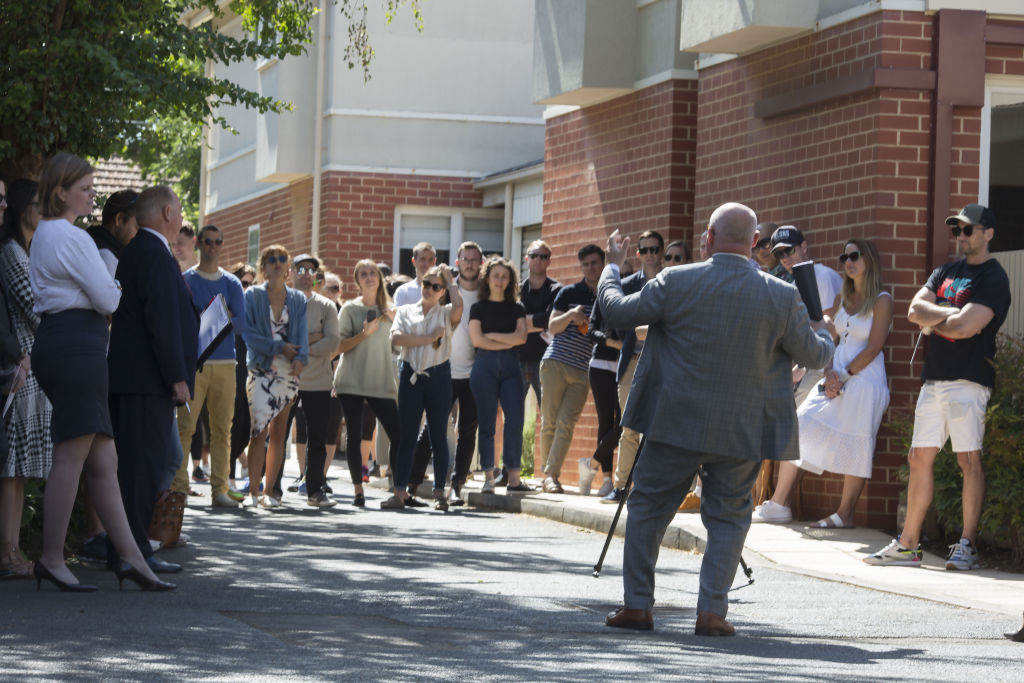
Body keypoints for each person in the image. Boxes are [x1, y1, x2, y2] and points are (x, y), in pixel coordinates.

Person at [599, 202, 833, 636]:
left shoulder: (676, 280)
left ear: (708, 237)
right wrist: (825, 332)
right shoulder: (780, 295)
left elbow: (616, 311)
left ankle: (637, 606)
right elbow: (815, 355)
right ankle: (711, 613)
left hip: (674, 423)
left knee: (648, 509)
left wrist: (612, 268)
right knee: (728, 517)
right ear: (754, 244)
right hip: (742, 430)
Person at [29, 153, 173, 591]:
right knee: (72, 457)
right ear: (60, 191)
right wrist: (108, 289)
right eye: (86, 187)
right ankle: (52, 558)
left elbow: (105, 294)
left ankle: (130, 557)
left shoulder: (50, 235)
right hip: (76, 347)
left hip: (70, 344)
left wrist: (106, 289)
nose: (94, 193)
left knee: (104, 460)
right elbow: (110, 299)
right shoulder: (70, 238)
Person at [865, 204, 1011, 570]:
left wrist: (937, 320)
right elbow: (915, 310)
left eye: (968, 230)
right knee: (918, 457)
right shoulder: (945, 271)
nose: (960, 237)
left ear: (988, 233)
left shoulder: (993, 277)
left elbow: (967, 328)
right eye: (956, 231)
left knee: (968, 459)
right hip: (934, 378)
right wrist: (950, 317)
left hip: (969, 379)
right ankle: (908, 545)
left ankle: (967, 545)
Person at [753, 239, 893, 526]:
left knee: (857, 441)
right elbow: (831, 338)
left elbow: (874, 347)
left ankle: (845, 513)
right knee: (800, 424)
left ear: (869, 259)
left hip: (865, 379)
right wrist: (829, 371)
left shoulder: (882, 299)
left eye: (854, 256)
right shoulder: (843, 298)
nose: (848, 262)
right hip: (835, 376)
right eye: (844, 257)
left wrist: (842, 377)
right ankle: (780, 504)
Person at [107, 184, 200, 574]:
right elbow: (161, 322)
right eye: (178, 209)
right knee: (141, 468)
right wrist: (177, 377)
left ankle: (128, 549)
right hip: (146, 382)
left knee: (138, 466)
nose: (180, 216)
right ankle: (134, 552)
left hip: (136, 379)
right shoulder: (154, 254)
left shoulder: (139, 251)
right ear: (166, 213)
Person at [168, 225, 247, 509]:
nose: (213, 246)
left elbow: (241, 322)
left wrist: (212, 316)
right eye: (208, 241)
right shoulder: (186, 279)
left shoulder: (232, 283)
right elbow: (180, 321)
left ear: (222, 245)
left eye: (218, 242)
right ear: (198, 244)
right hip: (194, 366)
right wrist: (219, 313)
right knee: (185, 428)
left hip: (226, 364)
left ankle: (220, 490)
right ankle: (179, 488)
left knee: (222, 430)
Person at [0, 179, 52, 579]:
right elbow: (36, 309)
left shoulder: (27, 251)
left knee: (18, 472)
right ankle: (8, 552)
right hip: (20, 369)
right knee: (11, 468)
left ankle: (13, 551)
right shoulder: (12, 253)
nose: (42, 210)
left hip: (31, 366)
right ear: (22, 210)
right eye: (37, 204)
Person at [405, 242, 483, 506]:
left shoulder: (486, 292)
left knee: (467, 431)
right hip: (445, 369)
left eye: (475, 259)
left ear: (480, 263)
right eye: (465, 259)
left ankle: (456, 486)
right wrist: (448, 281)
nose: (470, 264)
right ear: (458, 261)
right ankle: (412, 483)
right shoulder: (444, 287)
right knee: (431, 431)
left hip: (475, 372)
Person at [390, 264, 463, 510]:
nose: (429, 289)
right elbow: (396, 338)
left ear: (443, 291)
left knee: (438, 434)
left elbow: (460, 309)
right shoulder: (406, 310)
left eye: (436, 286)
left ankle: (440, 493)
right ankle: (399, 491)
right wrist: (429, 339)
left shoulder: (446, 312)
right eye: (426, 284)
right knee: (407, 435)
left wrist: (451, 281)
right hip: (410, 372)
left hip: (438, 374)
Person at [598, 231, 663, 504]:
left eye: (655, 249)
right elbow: (614, 321)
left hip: (663, 363)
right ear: (638, 253)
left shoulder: (671, 283)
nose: (650, 254)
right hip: (632, 363)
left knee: (660, 428)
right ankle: (622, 486)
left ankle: (651, 488)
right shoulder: (627, 285)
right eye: (644, 249)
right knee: (629, 426)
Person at [242, 245, 308, 508]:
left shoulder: (298, 299)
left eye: (282, 259)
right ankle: (253, 494)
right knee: (258, 431)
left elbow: (302, 333)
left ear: (288, 268)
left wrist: (301, 359)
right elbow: (249, 335)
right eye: (272, 260)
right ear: (263, 267)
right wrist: (278, 347)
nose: (277, 263)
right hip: (261, 368)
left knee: (279, 432)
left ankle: (270, 492)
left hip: (288, 371)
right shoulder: (253, 296)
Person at [335, 259, 401, 507]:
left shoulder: (391, 311)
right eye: (363, 274)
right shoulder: (350, 310)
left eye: (372, 272)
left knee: (398, 434)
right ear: (357, 280)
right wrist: (364, 334)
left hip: (381, 382)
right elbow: (338, 347)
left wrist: (396, 322)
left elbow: (400, 347)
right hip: (351, 381)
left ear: (379, 278)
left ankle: (398, 488)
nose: (369, 277)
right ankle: (358, 491)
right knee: (354, 436)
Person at [539, 244, 603, 493]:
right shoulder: (568, 293)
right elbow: (552, 326)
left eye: (594, 263)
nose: (590, 268)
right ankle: (550, 476)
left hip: (582, 370)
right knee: (550, 422)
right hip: (555, 362)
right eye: (585, 264)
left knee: (567, 422)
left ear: (602, 264)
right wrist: (572, 316)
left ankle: (550, 474)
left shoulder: (607, 295)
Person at [469, 257, 529, 493]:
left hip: (512, 369)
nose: (500, 280)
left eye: (505, 276)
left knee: (515, 420)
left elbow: (522, 338)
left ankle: (514, 479)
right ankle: (488, 477)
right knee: (487, 423)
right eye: (496, 275)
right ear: (487, 278)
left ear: (510, 280)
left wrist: (492, 335)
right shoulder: (478, 308)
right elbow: (476, 340)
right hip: (484, 368)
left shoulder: (517, 307)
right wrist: (507, 340)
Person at [770, 225, 843, 406]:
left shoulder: (822, 276)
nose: (785, 258)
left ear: (804, 246)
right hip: (810, 363)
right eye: (780, 254)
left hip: (829, 365)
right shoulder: (796, 283)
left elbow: (831, 330)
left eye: (789, 250)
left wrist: (827, 372)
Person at [291, 254, 341, 507]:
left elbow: (333, 341)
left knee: (317, 438)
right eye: (300, 268)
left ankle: (314, 491)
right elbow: (277, 339)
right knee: (276, 436)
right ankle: (272, 491)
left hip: (319, 381)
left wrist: (299, 346)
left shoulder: (327, 306)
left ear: (316, 277)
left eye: (310, 270)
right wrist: (310, 338)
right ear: (291, 272)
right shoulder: (281, 302)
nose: (305, 273)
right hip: (286, 379)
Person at [518, 239, 560, 421]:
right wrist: (539, 322)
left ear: (549, 261)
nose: (538, 260)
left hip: (546, 362)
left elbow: (551, 320)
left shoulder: (556, 290)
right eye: (534, 256)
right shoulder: (516, 289)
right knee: (513, 417)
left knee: (550, 418)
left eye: (543, 257)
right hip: (517, 360)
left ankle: (549, 451)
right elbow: (509, 320)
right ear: (527, 259)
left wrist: (522, 323)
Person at [229, 263, 256, 492]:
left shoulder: (254, 308)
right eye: (243, 283)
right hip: (231, 367)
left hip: (251, 368)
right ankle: (228, 478)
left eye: (250, 283)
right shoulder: (228, 303)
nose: (247, 288)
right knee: (234, 422)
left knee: (246, 425)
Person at [88, 190, 139, 278]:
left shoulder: (90, 240)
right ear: (119, 219)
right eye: (137, 228)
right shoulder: (105, 256)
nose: (141, 235)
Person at [393, 242, 437, 307]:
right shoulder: (403, 291)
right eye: (422, 259)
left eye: (430, 260)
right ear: (414, 261)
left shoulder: (441, 291)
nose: (427, 264)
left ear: (435, 261)